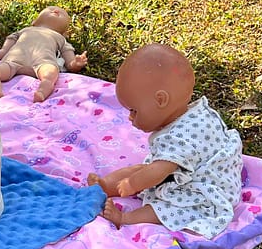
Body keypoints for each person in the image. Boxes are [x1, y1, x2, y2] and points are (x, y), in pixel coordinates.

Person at [87, 43, 242, 238]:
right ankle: (105, 186)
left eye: (134, 110)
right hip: (194, 170)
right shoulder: (196, 113)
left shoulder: (178, 139)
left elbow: (158, 172)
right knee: (142, 169)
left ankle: (125, 219)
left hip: (204, 193)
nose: (130, 117)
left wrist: (133, 184)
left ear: (160, 100)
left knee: (163, 206)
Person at [0, 5, 87, 102]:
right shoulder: (24, 30)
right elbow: (3, 52)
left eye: (62, 14)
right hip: (13, 61)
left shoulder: (60, 38)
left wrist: (76, 63)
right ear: (35, 21)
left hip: (42, 63)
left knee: (51, 74)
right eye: (51, 9)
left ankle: (42, 92)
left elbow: (69, 63)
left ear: (64, 33)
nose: (56, 11)